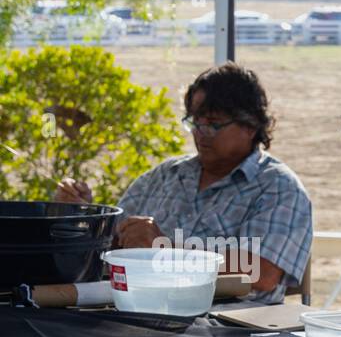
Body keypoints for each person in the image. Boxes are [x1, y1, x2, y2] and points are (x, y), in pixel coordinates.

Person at [54, 62, 312, 304]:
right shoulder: (164, 176)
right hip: (140, 315)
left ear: (251, 125)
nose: (200, 134)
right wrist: (83, 217)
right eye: (194, 122)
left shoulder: (278, 188)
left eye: (212, 124)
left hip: (230, 331)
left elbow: (261, 272)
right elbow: (112, 247)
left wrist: (164, 249)